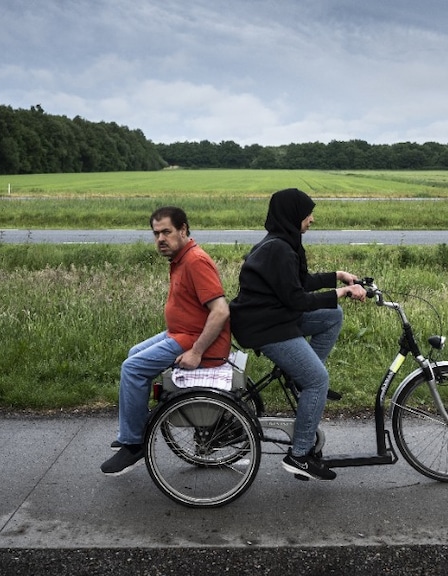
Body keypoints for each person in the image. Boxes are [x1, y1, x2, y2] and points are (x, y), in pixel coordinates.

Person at [229, 188, 366, 481]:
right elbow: (297, 300)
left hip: (273, 317)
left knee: (332, 316)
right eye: (307, 214)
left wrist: (337, 276)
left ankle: (297, 378)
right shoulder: (278, 248)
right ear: (293, 215)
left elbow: (298, 282)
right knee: (318, 380)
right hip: (267, 326)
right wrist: (342, 292)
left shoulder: (283, 242)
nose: (312, 219)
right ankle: (300, 455)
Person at [101, 206, 231, 476]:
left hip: (196, 340)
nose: (160, 239)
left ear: (183, 230)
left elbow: (220, 311)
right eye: (156, 233)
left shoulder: (195, 261)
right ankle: (136, 425)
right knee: (134, 353)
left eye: (166, 232)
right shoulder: (180, 259)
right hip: (182, 333)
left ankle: (133, 443)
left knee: (133, 368)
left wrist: (196, 352)